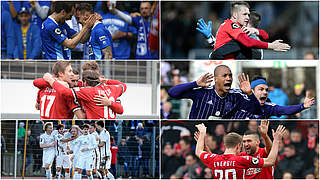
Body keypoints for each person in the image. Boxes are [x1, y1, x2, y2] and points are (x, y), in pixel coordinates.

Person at [196, 1, 290, 59]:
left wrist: (257, 32)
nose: (246, 17)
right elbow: (244, 42)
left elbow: (265, 35)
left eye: (248, 15)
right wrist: (271, 45)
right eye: (245, 14)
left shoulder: (245, 34)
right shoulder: (233, 28)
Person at [195, 123, 286, 179]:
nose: (246, 144)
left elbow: (203, 154)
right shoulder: (241, 158)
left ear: (257, 142)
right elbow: (271, 160)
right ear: (239, 145)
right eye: (244, 142)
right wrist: (276, 140)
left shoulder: (218, 159)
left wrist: (202, 138)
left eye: (249, 141)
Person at [168, 65, 261, 119]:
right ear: (215, 79)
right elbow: (172, 93)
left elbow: (257, 111)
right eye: (224, 76)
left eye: (230, 76)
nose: (228, 78)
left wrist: (250, 94)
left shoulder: (236, 96)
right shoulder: (202, 93)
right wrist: (195, 83)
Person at [43, 70, 126, 119]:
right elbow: (123, 86)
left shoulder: (88, 91)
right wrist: (106, 81)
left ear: (85, 82)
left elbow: (65, 92)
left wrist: (51, 80)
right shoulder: (113, 89)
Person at [250, 76, 315, 118]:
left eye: (267, 90)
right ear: (252, 91)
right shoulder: (241, 101)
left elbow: (285, 109)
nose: (265, 92)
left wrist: (302, 106)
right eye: (261, 89)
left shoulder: (268, 107)